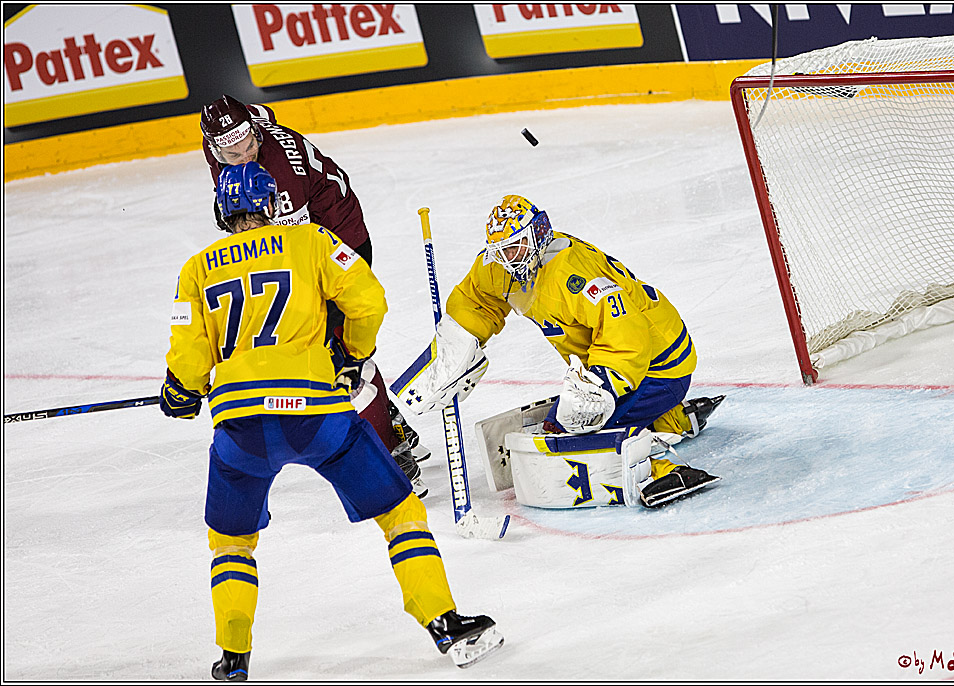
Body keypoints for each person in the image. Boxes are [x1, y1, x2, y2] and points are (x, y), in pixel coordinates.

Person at [160, 162, 503, 680]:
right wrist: (351, 353)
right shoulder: (313, 241)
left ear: (222, 212)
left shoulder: (196, 269)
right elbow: (369, 300)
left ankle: (233, 657)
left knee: (231, 544)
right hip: (317, 416)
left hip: (241, 431)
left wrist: (180, 391)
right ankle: (444, 623)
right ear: (272, 204)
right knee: (401, 515)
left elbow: (188, 357)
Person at [393, 195, 723, 509]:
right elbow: (476, 301)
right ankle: (672, 420)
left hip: (660, 366)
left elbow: (627, 333)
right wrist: (455, 350)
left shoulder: (573, 275)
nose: (509, 258)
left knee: (570, 426)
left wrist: (602, 387)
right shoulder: (500, 266)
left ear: (538, 235)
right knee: (574, 414)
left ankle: (655, 470)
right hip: (622, 357)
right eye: (501, 250)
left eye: (515, 246)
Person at [199, 94, 429, 496]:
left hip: (339, 240)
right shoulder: (231, 135)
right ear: (215, 144)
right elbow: (262, 115)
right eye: (232, 150)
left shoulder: (282, 177)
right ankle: (390, 421)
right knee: (334, 348)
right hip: (309, 235)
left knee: (339, 352)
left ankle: (392, 456)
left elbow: (295, 250)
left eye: (250, 145)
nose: (244, 153)